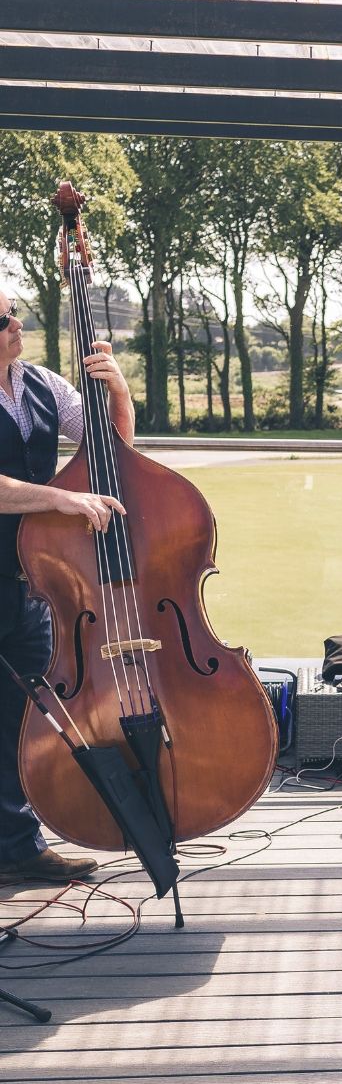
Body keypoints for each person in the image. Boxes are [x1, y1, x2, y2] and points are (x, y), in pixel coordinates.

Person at [0, 287, 134, 884]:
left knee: (23, 716)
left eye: (15, 314)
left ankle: (18, 848)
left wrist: (120, 392)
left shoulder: (45, 385)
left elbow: (112, 453)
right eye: (3, 319)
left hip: (31, 581)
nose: (16, 325)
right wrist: (59, 497)